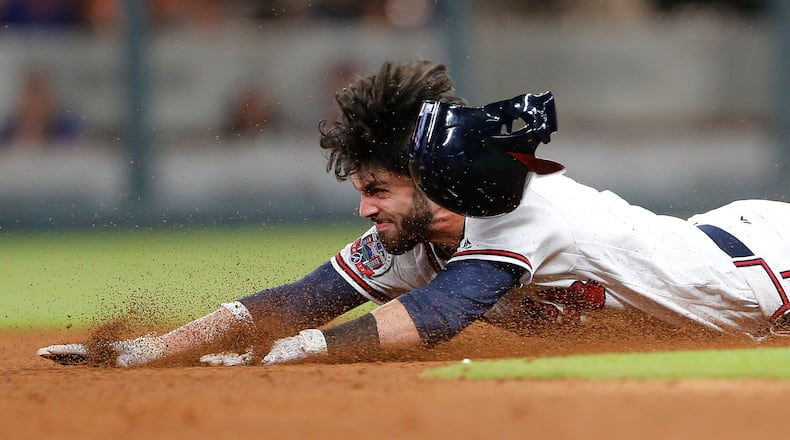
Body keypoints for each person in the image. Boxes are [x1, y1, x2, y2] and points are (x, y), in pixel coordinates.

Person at [38, 59, 790, 368]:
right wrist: (145, 352)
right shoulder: (413, 232)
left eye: (378, 189)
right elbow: (301, 299)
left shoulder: (524, 207)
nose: (365, 209)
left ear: (430, 177)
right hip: (724, 245)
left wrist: (300, 354)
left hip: (766, 271)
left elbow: (439, 314)